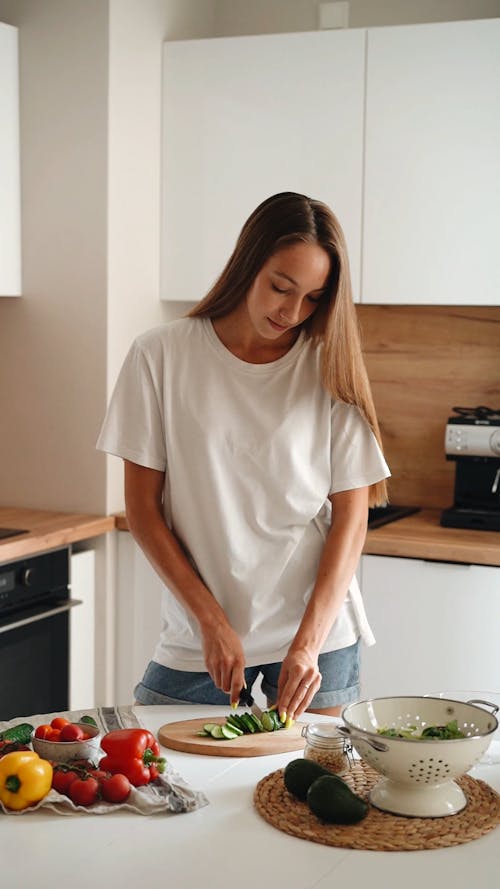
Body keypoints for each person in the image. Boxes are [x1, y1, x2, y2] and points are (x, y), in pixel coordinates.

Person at [96, 191, 390, 722]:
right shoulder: (160, 355)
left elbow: (352, 512)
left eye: (312, 299)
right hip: (199, 628)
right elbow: (143, 510)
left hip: (315, 633)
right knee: (164, 782)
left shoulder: (328, 363)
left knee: (309, 794)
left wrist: (308, 642)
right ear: (248, 263)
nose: (291, 312)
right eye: (281, 287)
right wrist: (210, 620)